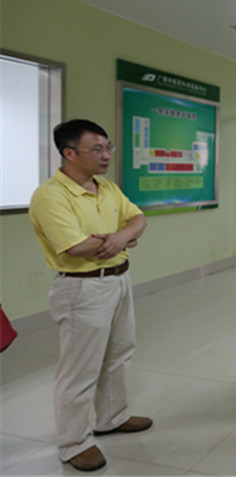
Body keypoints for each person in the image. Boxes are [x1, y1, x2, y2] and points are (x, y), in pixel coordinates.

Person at [29, 119, 150, 472]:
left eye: (108, 147)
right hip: (82, 288)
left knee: (120, 352)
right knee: (79, 369)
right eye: (97, 149)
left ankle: (112, 416)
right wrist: (123, 239)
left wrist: (121, 236)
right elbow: (76, 246)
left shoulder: (106, 186)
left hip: (119, 279)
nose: (106, 155)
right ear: (69, 153)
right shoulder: (50, 196)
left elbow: (138, 219)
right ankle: (73, 442)